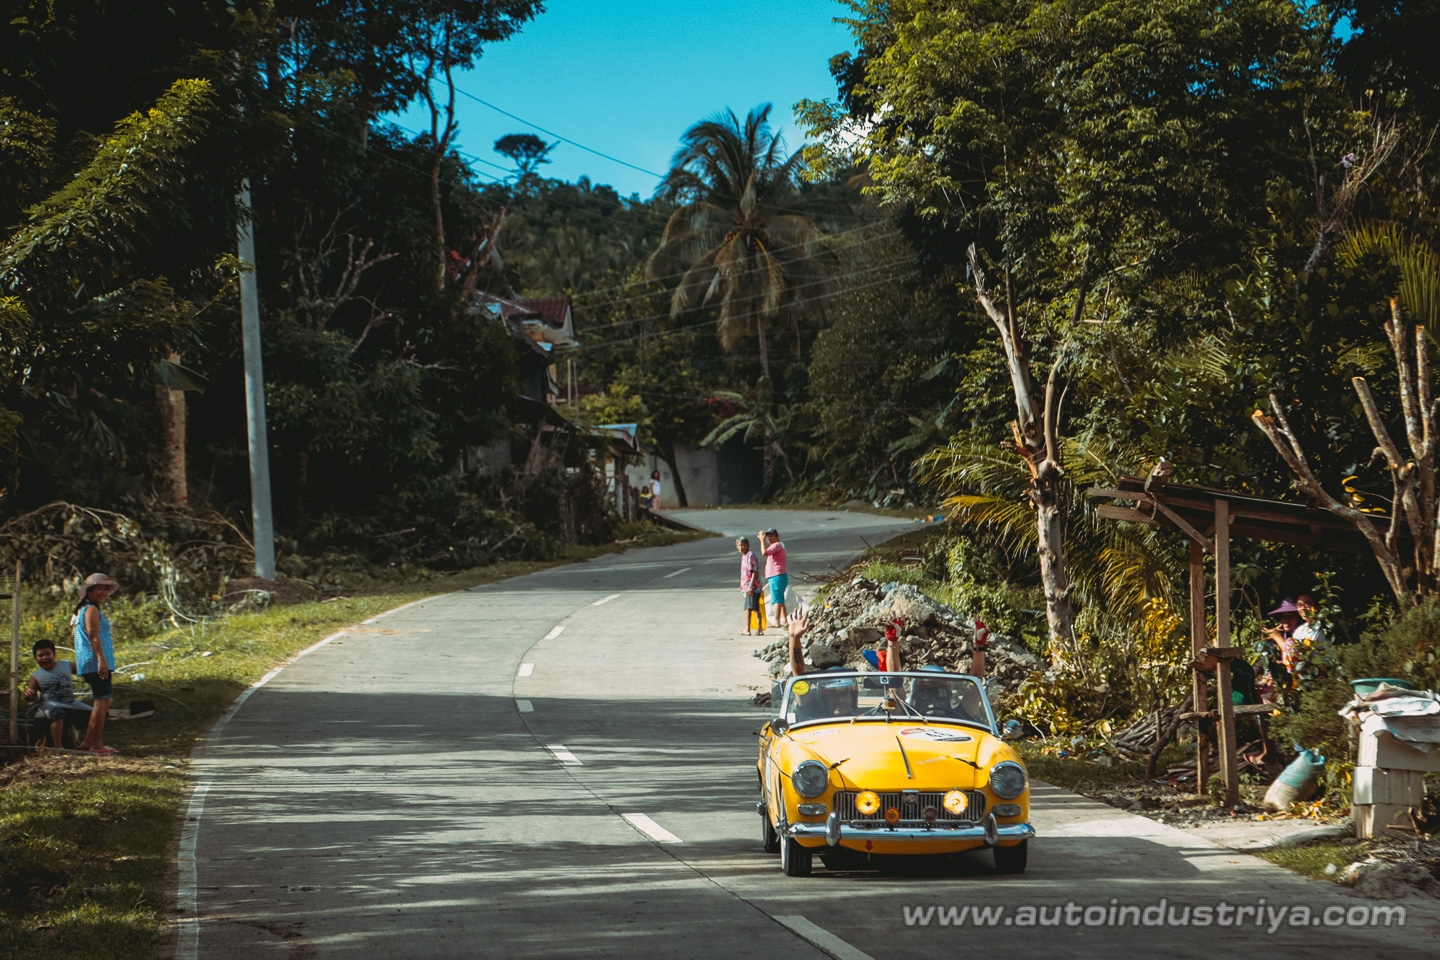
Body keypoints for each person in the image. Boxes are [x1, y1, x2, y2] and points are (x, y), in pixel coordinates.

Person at [72, 572, 120, 754]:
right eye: (99, 588)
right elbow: (93, 636)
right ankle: (97, 745)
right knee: (102, 701)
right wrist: (101, 660)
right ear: (90, 590)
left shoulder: (83, 610)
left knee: (105, 700)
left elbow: (77, 634)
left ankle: (87, 742)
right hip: (95, 662)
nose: (103, 593)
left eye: (106, 589)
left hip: (92, 661)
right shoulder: (90, 609)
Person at [22, 639, 93, 748]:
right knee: (57, 712)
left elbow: (84, 670)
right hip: (49, 705)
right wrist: (28, 694)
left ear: (54, 654)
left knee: (95, 714)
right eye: (40, 655)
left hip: (70, 703)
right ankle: (58, 746)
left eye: (48, 654)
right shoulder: (35, 676)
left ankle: (87, 743)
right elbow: (31, 695)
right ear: (35, 658)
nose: (45, 658)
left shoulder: (66, 665)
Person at [760, 528, 788, 626]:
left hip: (776, 575)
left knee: (776, 599)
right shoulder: (778, 545)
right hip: (778, 575)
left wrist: (761, 541)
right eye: (768, 535)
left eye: (772, 535)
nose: (769, 537)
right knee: (780, 599)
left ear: (776, 536)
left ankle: (776, 620)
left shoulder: (777, 545)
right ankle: (784, 619)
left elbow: (764, 552)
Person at [738, 537, 764, 636]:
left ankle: (748, 629)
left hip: (752, 587)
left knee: (748, 608)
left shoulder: (750, 556)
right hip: (749, 587)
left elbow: (754, 572)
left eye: (743, 545)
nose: (741, 547)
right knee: (755, 607)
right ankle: (759, 629)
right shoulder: (744, 556)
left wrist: (750, 586)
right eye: (739, 546)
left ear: (748, 545)